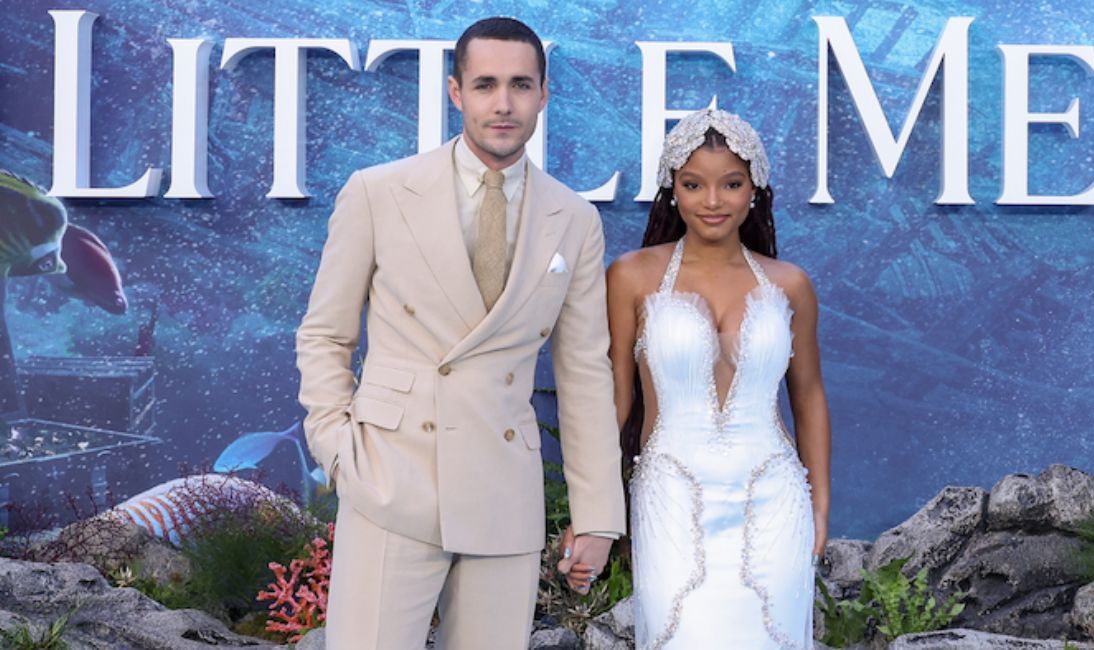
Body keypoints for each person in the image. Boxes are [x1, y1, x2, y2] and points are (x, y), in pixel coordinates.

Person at [294, 17, 625, 649]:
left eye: (521, 85)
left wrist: (598, 515)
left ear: (544, 94)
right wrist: (338, 448)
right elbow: (324, 335)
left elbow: (584, 371)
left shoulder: (575, 220)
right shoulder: (378, 192)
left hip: (504, 489)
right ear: (455, 92)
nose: (503, 103)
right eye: (486, 84)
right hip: (392, 475)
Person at [569, 109, 831, 648]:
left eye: (731, 184)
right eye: (694, 185)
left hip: (775, 499)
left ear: (755, 189)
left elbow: (808, 397)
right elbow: (615, 401)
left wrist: (821, 506)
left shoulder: (791, 285)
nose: (713, 201)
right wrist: (592, 510)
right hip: (670, 497)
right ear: (672, 190)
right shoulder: (630, 276)